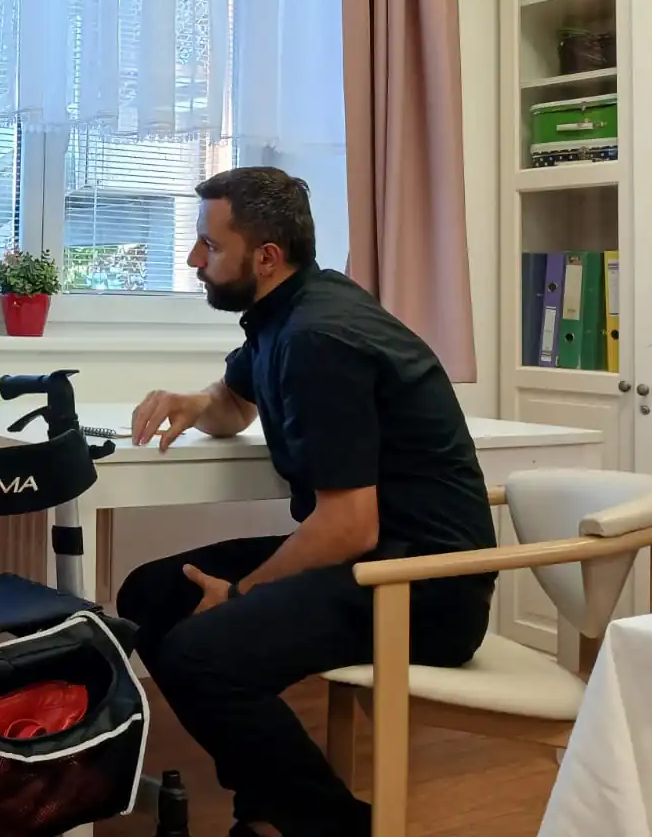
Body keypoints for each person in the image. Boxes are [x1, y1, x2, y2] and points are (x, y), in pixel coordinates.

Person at [116, 168, 496, 837]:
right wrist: (195, 401)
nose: (194, 258)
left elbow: (349, 525)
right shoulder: (287, 310)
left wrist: (241, 594)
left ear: (265, 257)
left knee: (200, 656)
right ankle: (268, 807)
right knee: (152, 593)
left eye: (210, 244)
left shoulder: (317, 336)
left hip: (426, 586)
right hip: (374, 556)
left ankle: (331, 826)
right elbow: (235, 402)